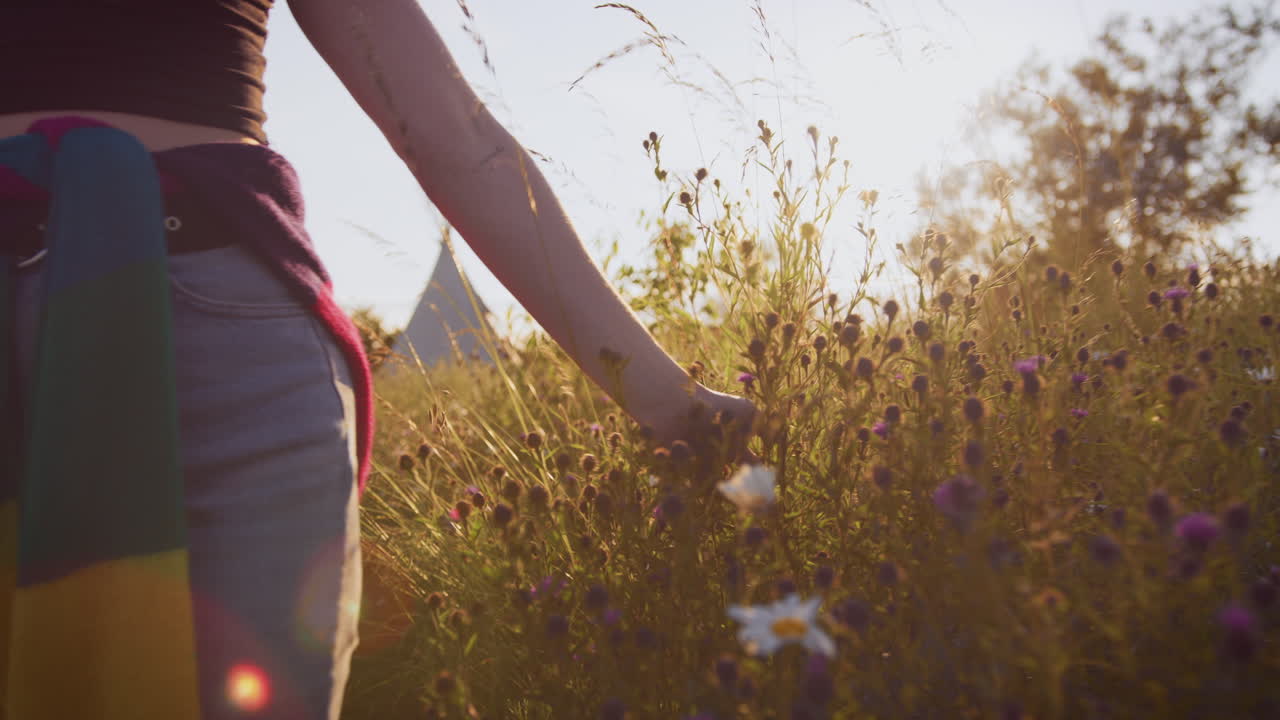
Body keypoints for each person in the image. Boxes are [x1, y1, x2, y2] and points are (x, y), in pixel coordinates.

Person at [0, 1, 755, 718]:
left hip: (225, 326)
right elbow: (453, 135)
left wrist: (666, 400)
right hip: (228, 329)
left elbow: (451, 134)